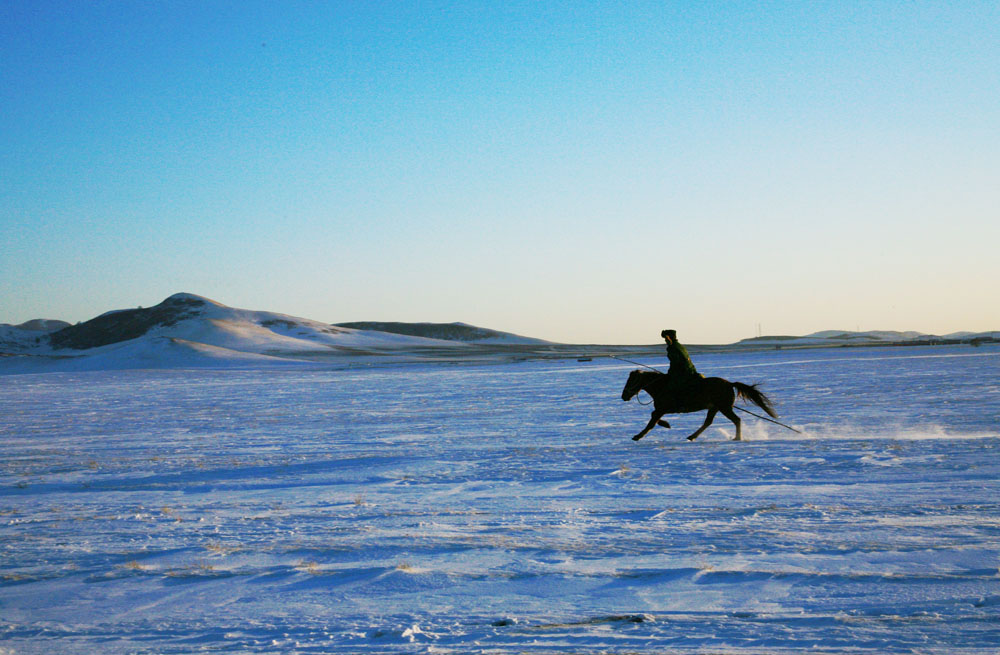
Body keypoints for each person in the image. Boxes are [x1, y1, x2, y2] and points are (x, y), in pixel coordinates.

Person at [661, 329, 703, 408]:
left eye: (665, 339)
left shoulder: (673, 347)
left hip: (684, 372)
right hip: (688, 370)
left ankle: (680, 404)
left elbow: (676, 363)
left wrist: (670, 373)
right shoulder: (678, 345)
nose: (665, 341)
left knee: (672, 386)